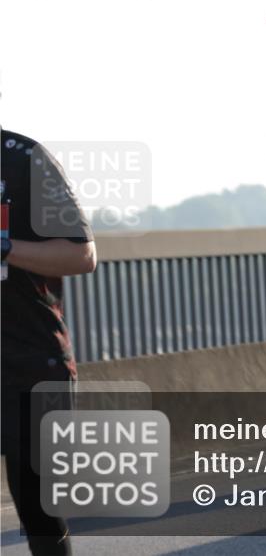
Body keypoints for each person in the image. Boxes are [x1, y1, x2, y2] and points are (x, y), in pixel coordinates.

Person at [2, 128, 98, 556]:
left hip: (28, 362)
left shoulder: (24, 158)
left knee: (39, 512)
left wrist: (4, 248)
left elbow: (81, 255)